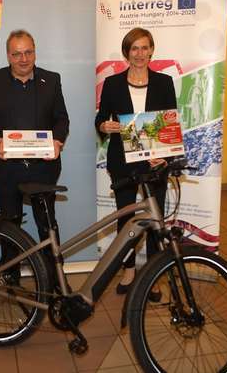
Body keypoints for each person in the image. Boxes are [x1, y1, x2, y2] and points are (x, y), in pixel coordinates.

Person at [0, 29, 69, 283]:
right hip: (7, 168)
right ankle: (11, 276)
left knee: (47, 225)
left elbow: (61, 118)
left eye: (28, 52)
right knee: (9, 225)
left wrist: (58, 140)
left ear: (35, 52)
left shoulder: (52, 79)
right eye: (17, 54)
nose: (24, 59)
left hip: (43, 168)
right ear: (8, 56)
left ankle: (54, 279)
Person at [95, 27, 177, 300]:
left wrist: (165, 155)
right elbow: (100, 121)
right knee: (126, 219)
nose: (140, 54)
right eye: (134, 48)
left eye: (144, 48)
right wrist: (104, 126)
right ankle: (128, 270)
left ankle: (152, 277)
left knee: (156, 222)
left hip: (155, 163)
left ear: (152, 50)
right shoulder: (113, 83)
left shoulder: (165, 82)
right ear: (126, 53)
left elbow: (169, 125)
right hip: (124, 163)